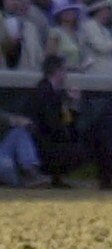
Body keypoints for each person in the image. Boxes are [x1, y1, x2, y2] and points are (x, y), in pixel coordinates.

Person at [20, 55, 88, 185]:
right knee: (77, 148)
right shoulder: (44, 92)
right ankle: (53, 175)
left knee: (78, 142)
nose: (66, 75)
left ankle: (57, 177)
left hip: (49, 141)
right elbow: (53, 126)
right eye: (64, 70)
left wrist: (74, 105)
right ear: (57, 71)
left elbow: (67, 123)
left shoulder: (56, 93)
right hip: (40, 145)